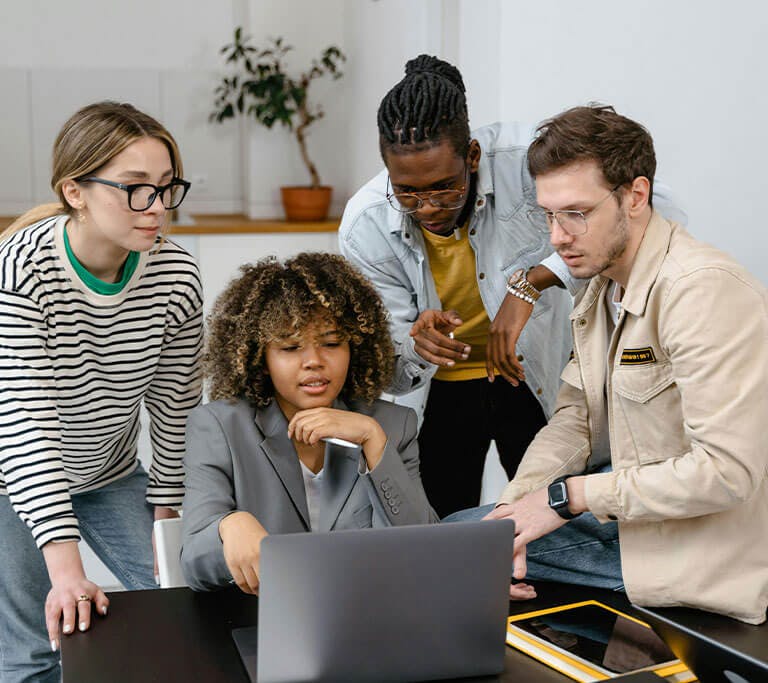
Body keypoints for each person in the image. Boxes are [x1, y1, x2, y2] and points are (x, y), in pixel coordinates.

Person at [456, 104, 768, 624]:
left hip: (693, 549)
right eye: (548, 215)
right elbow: (575, 420)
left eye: (576, 213)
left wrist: (567, 498)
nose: (556, 237)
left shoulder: (701, 289)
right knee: (467, 536)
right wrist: (511, 511)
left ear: (636, 196)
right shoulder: (601, 288)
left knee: (449, 552)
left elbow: (728, 472)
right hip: (631, 518)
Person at [338, 55, 685, 518]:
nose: (427, 208)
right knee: (442, 528)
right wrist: (415, 344)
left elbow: (659, 216)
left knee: (553, 519)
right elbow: (392, 369)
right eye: (406, 192)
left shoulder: (529, 160)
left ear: (473, 157)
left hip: (534, 373)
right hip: (441, 393)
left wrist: (534, 283)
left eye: (445, 187)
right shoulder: (366, 226)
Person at [0, 101, 203, 682]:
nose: (157, 208)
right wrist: (66, 570)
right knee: (34, 648)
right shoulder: (21, 272)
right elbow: (25, 424)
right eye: (135, 188)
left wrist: (168, 517)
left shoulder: (176, 274)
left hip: (106, 470)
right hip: (10, 476)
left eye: (167, 188)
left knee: (181, 603)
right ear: (75, 191)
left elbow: (175, 407)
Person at [180, 252, 437, 594]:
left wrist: (373, 441)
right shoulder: (219, 426)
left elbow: (425, 551)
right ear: (260, 357)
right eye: (290, 347)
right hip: (263, 621)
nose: (314, 361)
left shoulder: (393, 425)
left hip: (369, 613)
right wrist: (229, 525)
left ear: (355, 347)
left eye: (332, 343)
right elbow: (195, 565)